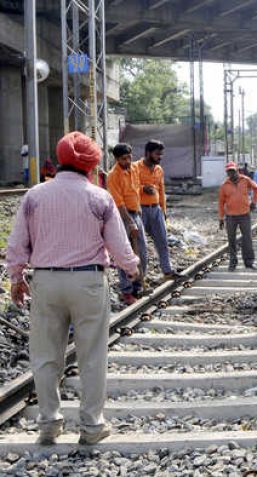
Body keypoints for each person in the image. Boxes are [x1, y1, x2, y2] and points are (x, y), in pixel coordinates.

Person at [6, 132, 140, 446]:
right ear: (92, 165)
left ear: (61, 157)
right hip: (88, 282)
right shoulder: (99, 197)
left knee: (45, 355)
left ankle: (49, 424)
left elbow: (17, 244)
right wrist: (133, 268)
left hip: (46, 281)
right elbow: (120, 250)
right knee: (92, 356)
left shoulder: (35, 195)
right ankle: (92, 426)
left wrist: (16, 278)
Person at [132, 140, 178, 280]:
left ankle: (167, 270)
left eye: (161, 154)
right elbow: (130, 188)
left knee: (162, 241)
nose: (160, 157)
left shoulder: (159, 170)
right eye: (157, 154)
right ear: (147, 153)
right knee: (141, 246)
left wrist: (163, 211)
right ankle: (141, 277)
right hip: (140, 211)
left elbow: (162, 190)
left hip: (156, 210)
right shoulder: (135, 168)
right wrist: (142, 189)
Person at [107, 143, 147, 304]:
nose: (128, 160)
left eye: (130, 157)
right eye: (124, 158)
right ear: (117, 159)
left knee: (142, 252)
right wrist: (130, 223)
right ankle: (126, 291)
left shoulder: (134, 169)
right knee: (125, 253)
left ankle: (138, 285)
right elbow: (119, 203)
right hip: (122, 216)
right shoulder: (113, 176)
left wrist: (137, 215)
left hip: (136, 213)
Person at [218, 161, 257, 271]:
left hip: (244, 214)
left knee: (247, 238)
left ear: (237, 170)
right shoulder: (224, 185)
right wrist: (221, 218)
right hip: (231, 216)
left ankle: (249, 262)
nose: (231, 174)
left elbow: (256, 188)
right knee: (231, 240)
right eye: (229, 172)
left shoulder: (245, 180)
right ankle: (233, 263)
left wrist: (254, 202)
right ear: (227, 173)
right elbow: (221, 203)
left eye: (233, 171)